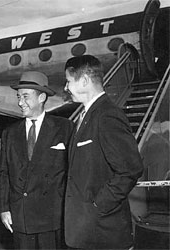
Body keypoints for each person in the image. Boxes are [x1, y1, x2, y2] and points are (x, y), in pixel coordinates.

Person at [63, 55, 144, 249]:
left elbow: (130, 169)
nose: (66, 88)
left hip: (102, 231)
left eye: (68, 81)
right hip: (87, 230)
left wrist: (98, 206)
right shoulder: (87, 116)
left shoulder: (107, 115)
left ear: (84, 81)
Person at [0, 71, 74, 249]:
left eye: (25, 97)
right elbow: (4, 173)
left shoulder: (65, 128)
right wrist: (4, 208)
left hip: (53, 216)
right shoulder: (10, 133)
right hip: (20, 216)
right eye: (18, 96)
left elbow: (72, 172)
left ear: (41, 97)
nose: (19, 103)